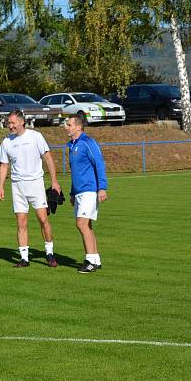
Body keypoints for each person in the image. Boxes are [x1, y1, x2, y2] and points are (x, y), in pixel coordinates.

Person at [0, 109, 61, 267]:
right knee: (21, 222)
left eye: (12, 123)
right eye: (8, 123)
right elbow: (4, 165)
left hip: (35, 184)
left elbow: (48, 158)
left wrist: (54, 181)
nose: (10, 126)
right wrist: (1, 186)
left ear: (21, 122)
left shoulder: (35, 136)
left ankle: (49, 253)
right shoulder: (6, 141)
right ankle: (24, 258)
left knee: (43, 219)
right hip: (17, 186)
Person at [63, 116, 108, 273]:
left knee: (81, 224)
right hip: (79, 192)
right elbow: (76, 173)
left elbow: (99, 164)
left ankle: (90, 261)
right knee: (87, 225)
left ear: (78, 127)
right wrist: (72, 192)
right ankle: (95, 259)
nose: (66, 127)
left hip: (90, 190)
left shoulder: (88, 143)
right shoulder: (72, 145)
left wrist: (102, 188)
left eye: (69, 125)